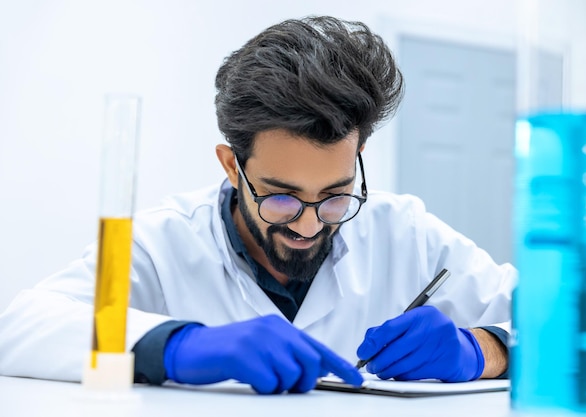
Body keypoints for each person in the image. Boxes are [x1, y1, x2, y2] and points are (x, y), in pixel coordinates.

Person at [0, 16, 515, 394]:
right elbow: (21, 328)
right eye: (283, 198)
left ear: (358, 155)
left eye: (335, 196)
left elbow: (566, 324)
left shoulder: (406, 231)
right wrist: (178, 346)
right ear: (231, 166)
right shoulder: (163, 242)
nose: (310, 224)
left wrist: (482, 350)